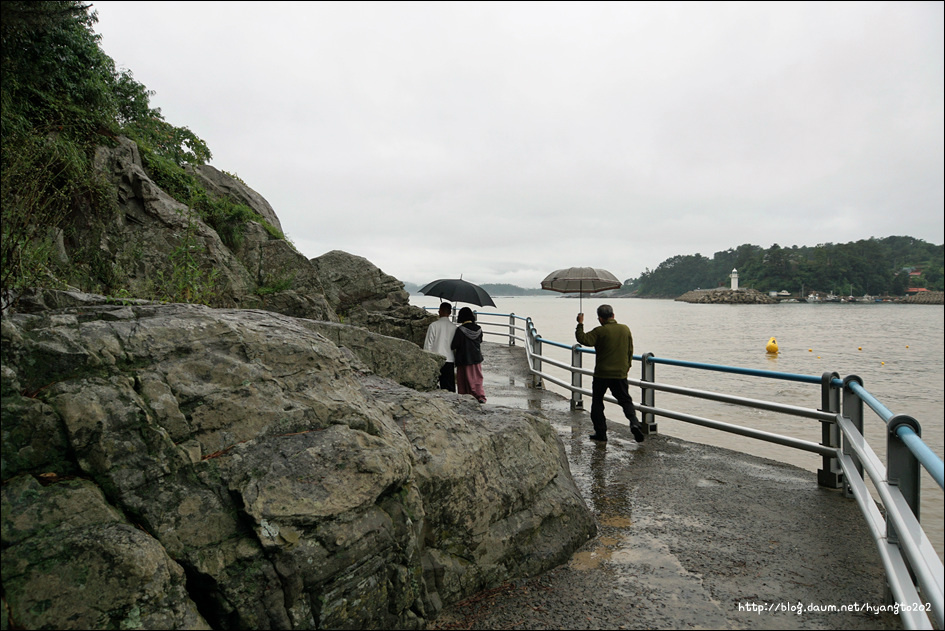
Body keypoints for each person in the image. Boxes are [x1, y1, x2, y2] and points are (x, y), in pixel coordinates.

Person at [575, 304, 644, 443]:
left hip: (602, 374)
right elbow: (630, 350)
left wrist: (580, 323)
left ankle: (601, 433)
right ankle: (634, 422)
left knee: (597, 402)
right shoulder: (625, 329)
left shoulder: (600, 331)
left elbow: (583, 339)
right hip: (620, 373)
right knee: (625, 400)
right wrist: (627, 367)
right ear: (613, 315)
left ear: (600, 318)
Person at [451, 306, 487, 403]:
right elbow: (480, 341)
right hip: (476, 358)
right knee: (477, 378)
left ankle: (465, 397)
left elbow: (454, 345)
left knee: (464, 380)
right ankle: (480, 396)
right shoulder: (479, 329)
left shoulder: (460, 330)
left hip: (464, 358)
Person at [424, 302, 457, 391]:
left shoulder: (433, 325)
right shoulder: (454, 327)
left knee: (432, 387)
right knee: (449, 388)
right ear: (450, 313)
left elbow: (428, 345)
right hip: (449, 359)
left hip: (436, 359)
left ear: (439, 311)